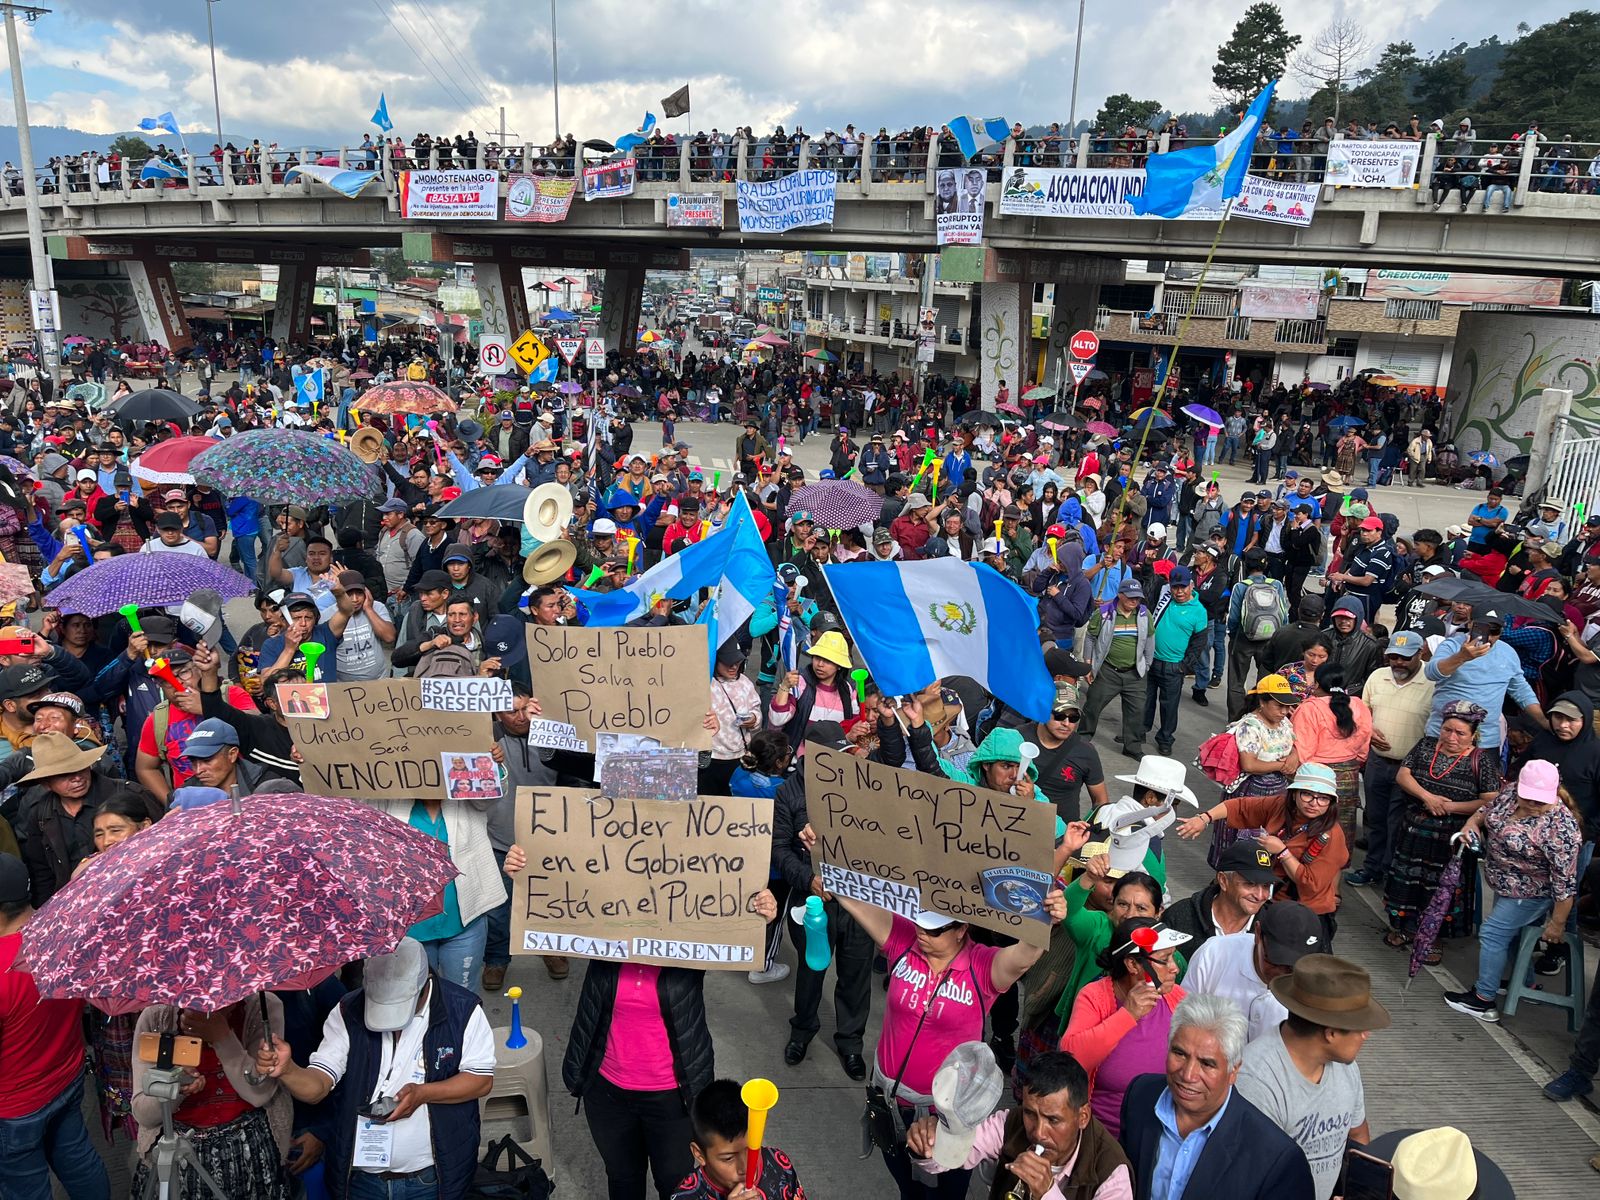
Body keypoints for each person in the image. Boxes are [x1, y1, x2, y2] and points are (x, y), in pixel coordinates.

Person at [830, 885, 1066, 1200]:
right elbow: (855, 901)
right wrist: (826, 862)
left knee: (946, 1193)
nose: (923, 933)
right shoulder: (903, 939)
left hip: (948, 1118)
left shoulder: (982, 966)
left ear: (961, 929)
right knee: (907, 1187)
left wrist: (1045, 921)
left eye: (935, 928)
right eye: (919, 922)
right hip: (890, 1101)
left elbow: (1023, 957)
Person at [563, 888, 780, 1200]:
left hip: (673, 1097)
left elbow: (740, 935)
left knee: (676, 1185)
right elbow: (560, 888)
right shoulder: (604, 925)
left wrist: (762, 917)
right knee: (622, 1178)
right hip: (606, 1090)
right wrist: (528, 869)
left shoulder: (694, 930)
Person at [254, 937, 495, 1200]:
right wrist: (288, 1069)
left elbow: (480, 1080)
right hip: (360, 1178)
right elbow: (317, 1087)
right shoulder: (348, 1010)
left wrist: (423, 1094)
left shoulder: (462, 1010)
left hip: (431, 1175)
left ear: (424, 985)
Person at [1117, 994, 1316, 1200]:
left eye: (1207, 1064)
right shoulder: (1140, 1096)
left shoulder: (1277, 1158)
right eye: (1180, 1053)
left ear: (1233, 1071)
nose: (1188, 1074)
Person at [0, 851, 112, 1200]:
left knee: (25, 1188)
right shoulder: (61, 933)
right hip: (66, 1077)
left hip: (14, 1108)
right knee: (78, 1159)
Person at [1235, 957, 1388, 1200]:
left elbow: (1357, 1134)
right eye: (1359, 1027)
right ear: (1331, 1033)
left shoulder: (1346, 1067)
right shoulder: (1257, 1082)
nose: (1366, 1035)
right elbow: (1251, 1183)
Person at [1444, 759, 1581, 1023]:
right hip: (1502, 881)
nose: (1533, 804)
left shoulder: (1561, 828)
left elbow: (1565, 883)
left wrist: (1557, 923)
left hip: (1531, 891)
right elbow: (1487, 808)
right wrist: (1471, 824)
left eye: (1540, 800)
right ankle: (1525, 982)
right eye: (1527, 797)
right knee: (1513, 935)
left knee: (1493, 933)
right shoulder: (1510, 793)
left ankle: (1483, 1000)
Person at [906, 1050, 1134, 1200]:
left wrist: (1047, 1193)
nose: (1038, 1132)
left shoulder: (1112, 1173)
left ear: (1083, 1116)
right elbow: (958, 1153)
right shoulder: (1010, 1123)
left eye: (1053, 1119)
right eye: (1030, 1113)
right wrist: (929, 1145)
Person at [130, 998, 291, 1200]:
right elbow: (143, 1114)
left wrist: (222, 1037)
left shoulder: (263, 1006)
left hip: (249, 1151)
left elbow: (260, 1093)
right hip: (177, 1151)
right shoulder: (156, 1017)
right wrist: (174, 1085)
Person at [1382, 700, 1501, 960]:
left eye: (1460, 733)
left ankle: (1434, 937)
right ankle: (1404, 929)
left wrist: (1451, 807)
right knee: (1408, 880)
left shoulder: (1481, 760)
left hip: (1451, 839)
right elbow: (1404, 775)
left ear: (1473, 736)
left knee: (1441, 888)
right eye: (1447, 730)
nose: (1451, 737)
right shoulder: (1425, 746)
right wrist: (1428, 798)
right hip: (1414, 829)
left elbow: (1491, 800)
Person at [1177, 764, 1349, 943]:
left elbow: (1312, 884)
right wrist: (1204, 818)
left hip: (1305, 913)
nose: (1314, 803)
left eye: (1323, 798)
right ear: (1294, 794)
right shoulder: (1281, 806)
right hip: (1268, 901)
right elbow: (1241, 807)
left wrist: (1283, 852)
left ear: (1331, 802)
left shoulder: (1332, 835)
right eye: (1307, 795)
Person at [1061, 918, 1191, 1138]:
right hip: (1101, 1135)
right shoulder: (1095, 997)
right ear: (1132, 965)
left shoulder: (1177, 998)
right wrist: (1127, 1015)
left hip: (1161, 1134)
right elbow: (1070, 1057)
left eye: (1173, 957)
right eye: (1164, 960)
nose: (1175, 968)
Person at [1347, 630, 1435, 888]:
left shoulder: (1432, 681)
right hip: (1377, 762)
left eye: (1404, 658)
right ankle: (1372, 867)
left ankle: (1391, 871)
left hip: (1410, 768)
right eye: (1393, 657)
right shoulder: (1377, 676)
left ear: (1420, 654)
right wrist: (1369, 730)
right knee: (1375, 817)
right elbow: (1363, 713)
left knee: (1398, 822)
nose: (1398, 663)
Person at [1180, 900, 1326, 1042]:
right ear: (1257, 933)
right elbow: (1182, 1017)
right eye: (1275, 960)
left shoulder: (1317, 984)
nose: (1283, 972)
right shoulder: (1214, 954)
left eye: (1294, 967)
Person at [669, 1078, 807, 1200]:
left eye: (752, 1148)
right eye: (728, 1158)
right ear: (699, 1154)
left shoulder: (779, 1164)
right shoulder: (685, 1196)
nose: (745, 1168)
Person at [1291, 664, 1372, 842]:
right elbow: (1363, 750)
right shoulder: (1358, 705)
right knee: (1339, 834)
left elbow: (1303, 752)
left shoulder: (1309, 708)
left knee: (1310, 832)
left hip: (1315, 779)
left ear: (1316, 683)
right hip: (1348, 778)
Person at [1139, 567, 1210, 757]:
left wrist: (1184, 666)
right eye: (1175, 587)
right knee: (1145, 700)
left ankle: (1165, 739)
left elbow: (1199, 643)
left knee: (1169, 707)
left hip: (1173, 666)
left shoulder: (1199, 611)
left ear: (1191, 585)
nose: (1179, 591)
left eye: (1183, 587)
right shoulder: (1164, 599)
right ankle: (1140, 731)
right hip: (1151, 661)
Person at [1081, 579, 1153, 757]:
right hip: (1108, 671)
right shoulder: (1104, 613)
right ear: (1120, 595)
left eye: (1137, 598)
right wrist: (1088, 664)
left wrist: (1147, 664)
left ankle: (1132, 747)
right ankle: (1081, 740)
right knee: (1093, 706)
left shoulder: (1144, 614)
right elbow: (1090, 637)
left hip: (1135, 673)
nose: (1134, 601)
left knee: (1136, 712)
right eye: (1130, 597)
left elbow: (1150, 639)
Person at [1162, 839, 1276, 951]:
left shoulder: (1275, 926)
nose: (1260, 895)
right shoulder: (1179, 917)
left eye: (1266, 886)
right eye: (1250, 884)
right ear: (1223, 880)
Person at [1226, 552, 1290, 721]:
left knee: (1237, 681)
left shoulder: (1240, 587)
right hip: (1269, 641)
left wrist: (1233, 636)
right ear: (1265, 564)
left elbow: (1232, 617)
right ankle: (1261, 716)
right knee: (1266, 680)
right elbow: (1284, 615)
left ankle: (1236, 720)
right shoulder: (1276, 585)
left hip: (1243, 639)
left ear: (1246, 565)